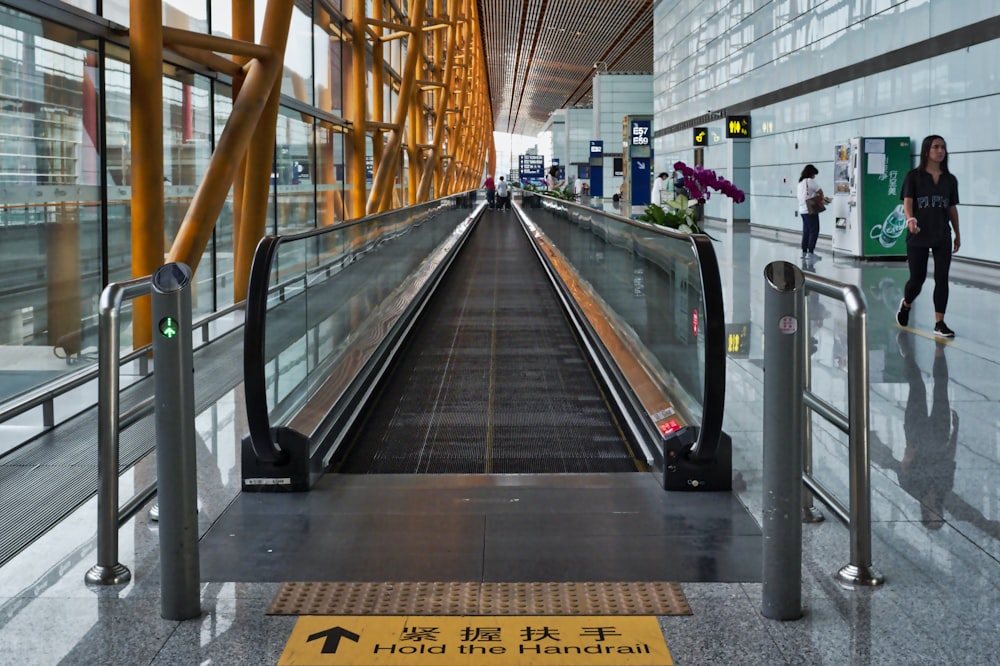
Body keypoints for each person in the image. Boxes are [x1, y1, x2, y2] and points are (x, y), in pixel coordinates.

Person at [896, 135, 961, 338]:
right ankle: (906, 304)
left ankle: (939, 323)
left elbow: (952, 209)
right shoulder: (913, 177)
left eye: (943, 147)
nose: (940, 150)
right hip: (918, 235)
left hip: (942, 235)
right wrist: (910, 220)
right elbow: (908, 203)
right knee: (918, 279)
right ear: (926, 151)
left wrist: (957, 234)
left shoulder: (950, 180)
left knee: (942, 279)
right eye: (936, 147)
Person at [796, 164, 823, 260]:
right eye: (814, 174)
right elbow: (820, 192)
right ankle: (810, 252)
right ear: (811, 173)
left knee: (806, 231)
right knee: (814, 230)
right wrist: (820, 199)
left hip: (802, 210)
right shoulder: (810, 181)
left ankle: (804, 252)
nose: (814, 176)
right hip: (810, 209)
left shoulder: (800, 183)